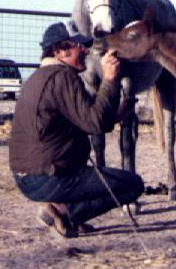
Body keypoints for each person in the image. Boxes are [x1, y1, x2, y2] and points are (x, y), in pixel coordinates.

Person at [9, 20, 144, 238]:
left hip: (30, 176)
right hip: (46, 177)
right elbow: (95, 123)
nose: (85, 50)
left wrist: (117, 114)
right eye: (77, 46)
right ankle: (63, 212)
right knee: (132, 185)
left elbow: (83, 119)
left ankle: (66, 213)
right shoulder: (62, 77)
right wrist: (110, 80)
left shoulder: (39, 77)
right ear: (58, 51)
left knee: (95, 176)